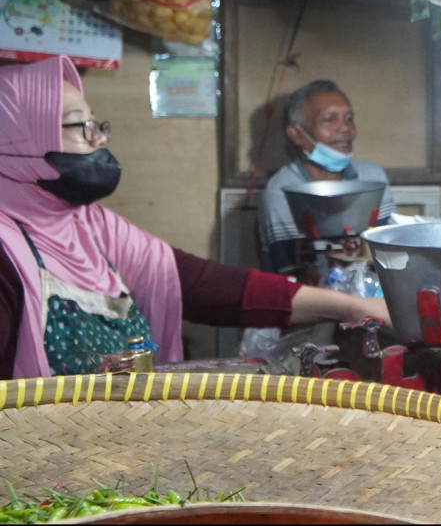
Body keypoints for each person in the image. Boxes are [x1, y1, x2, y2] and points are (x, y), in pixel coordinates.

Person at [0, 57, 389, 379]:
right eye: (81, 125)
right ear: (18, 137)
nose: (99, 139)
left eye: (97, 124)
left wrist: (353, 307)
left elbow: (204, 285)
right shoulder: (7, 250)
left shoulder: (91, 226)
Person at [259, 80, 396, 282]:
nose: (345, 128)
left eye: (349, 118)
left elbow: (390, 252)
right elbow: (294, 273)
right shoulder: (282, 189)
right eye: (329, 119)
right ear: (297, 134)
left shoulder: (372, 177)